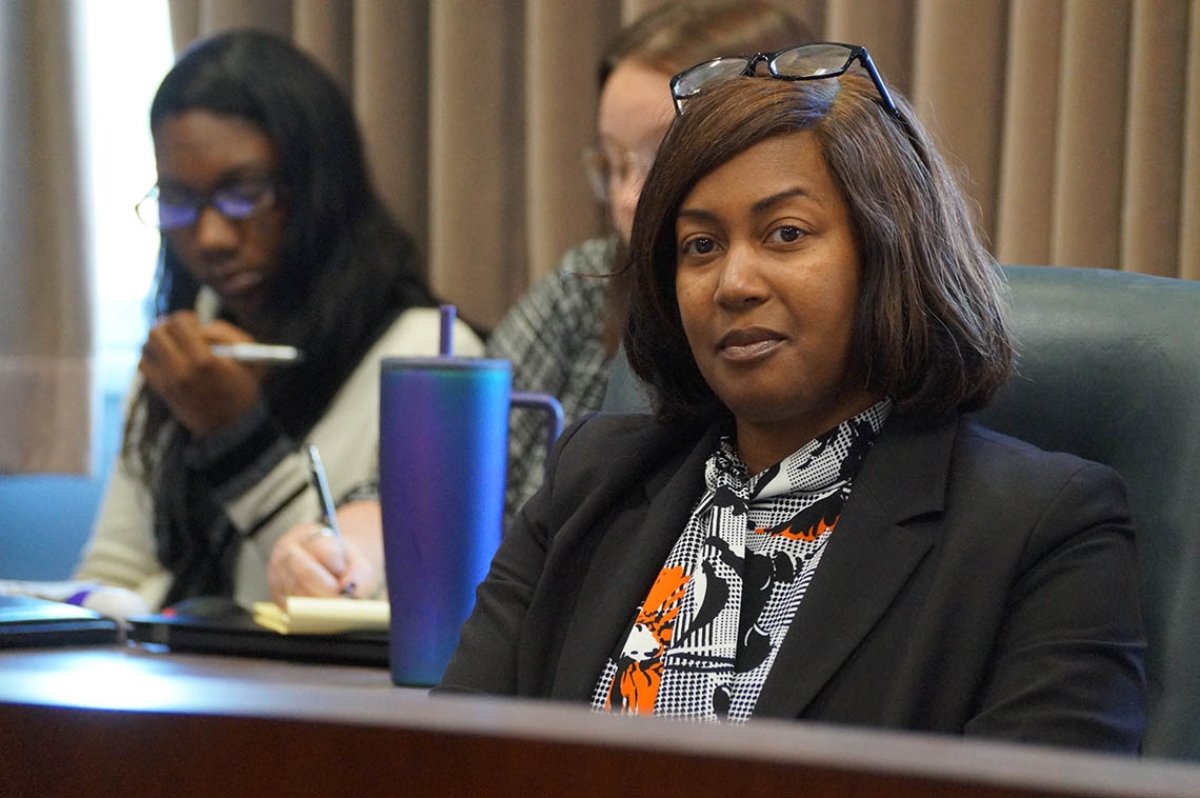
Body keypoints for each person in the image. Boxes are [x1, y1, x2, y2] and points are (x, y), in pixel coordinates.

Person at [437, 44, 1147, 753]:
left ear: (887, 253)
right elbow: (447, 763)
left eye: (785, 234)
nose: (734, 282)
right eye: (700, 246)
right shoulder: (592, 481)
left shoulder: (1043, 532)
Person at [74, 30, 482, 611]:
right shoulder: (183, 348)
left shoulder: (428, 359)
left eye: (243, 193)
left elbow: (362, 601)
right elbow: (114, 571)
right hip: (179, 683)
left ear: (319, 186)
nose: (211, 237)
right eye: (179, 200)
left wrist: (235, 437)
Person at [490, 0, 812, 527]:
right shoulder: (585, 286)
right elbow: (449, 472)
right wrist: (342, 544)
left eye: (663, 157)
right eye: (614, 165)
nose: (626, 198)